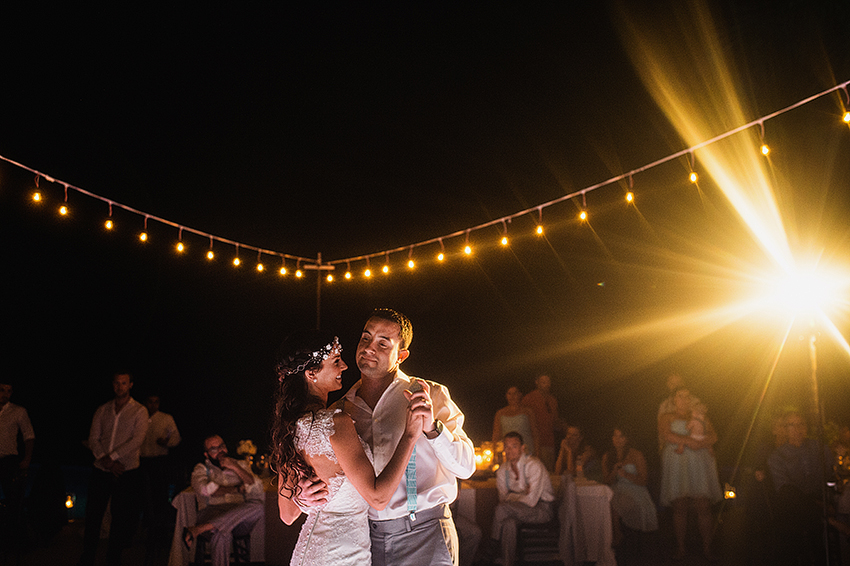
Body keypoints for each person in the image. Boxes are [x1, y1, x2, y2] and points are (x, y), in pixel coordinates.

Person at [282, 309, 476, 566]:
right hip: (366, 540)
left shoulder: (431, 395)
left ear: (401, 355)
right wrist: (302, 497)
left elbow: (466, 467)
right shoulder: (339, 411)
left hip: (425, 533)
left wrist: (432, 429)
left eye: (382, 343)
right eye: (365, 339)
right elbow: (323, 477)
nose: (369, 348)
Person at [271, 329, 424, 566]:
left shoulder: (291, 428)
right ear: (312, 373)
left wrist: (301, 498)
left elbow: (287, 515)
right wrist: (410, 435)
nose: (344, 366)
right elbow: (378, 498)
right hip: (339, 556)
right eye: (335, 361)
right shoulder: (334, 422)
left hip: (317, 552)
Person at [79, 372, 149, 566]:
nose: (120, 387)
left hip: (126, 471)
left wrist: (113, 458)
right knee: (93, 516)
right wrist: (106, 461)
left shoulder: (139, 411)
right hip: (101, 469)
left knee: (120, 519)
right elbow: (93, 438)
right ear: (113, 385)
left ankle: (113, 560)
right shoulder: (102, 409)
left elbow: (137, 440)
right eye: (117, 383)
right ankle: (87, 558)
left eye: (124, 383)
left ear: (130, 385)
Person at [658, 387, 721, 561]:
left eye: (687, 397)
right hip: (678, 462)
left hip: (699, 463)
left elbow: (713, 435)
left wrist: (700, 444)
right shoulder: (667, 416)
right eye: (680, 397)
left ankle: (708, 548)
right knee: (680, 505)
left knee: (703, 504)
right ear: (674, 399)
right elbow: (666, 434)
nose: (684, 400)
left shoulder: (699, 415)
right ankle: (681, 548)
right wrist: (688, 441)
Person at [183, 435, 264, 566]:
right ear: (206, 454)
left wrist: (235, 467)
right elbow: (206, 490)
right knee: (222, 533)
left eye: (222, 446)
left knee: (258, 506)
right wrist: (237, 489)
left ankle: (200, 529)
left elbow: (255, 486)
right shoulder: (201, 469)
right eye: (214, 449)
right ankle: (210, 526)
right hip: (211, 512)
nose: (220, 451)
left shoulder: (241, 464)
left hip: (239, 516)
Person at [768, 411, 829, 566]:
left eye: (801, 423)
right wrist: (818, 507)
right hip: (796, 508)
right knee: (798, 515)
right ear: (784, 429)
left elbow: (831, 473)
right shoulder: (777, 457)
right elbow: (784, 490)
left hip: (820, 499)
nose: (798, 428)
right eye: (792, 425)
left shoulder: (819, 447)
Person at [489, 432, 555, 566]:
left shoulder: (534, 465)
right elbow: (503, 498)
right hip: (516, 511)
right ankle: (508, 562)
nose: (509, 450)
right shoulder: (503, 470)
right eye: (506, 447)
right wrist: (522, 494)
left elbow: (531, 502)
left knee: (501, 510)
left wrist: (512, 496)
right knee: (509, 523)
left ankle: (492, 546)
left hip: (542, 510)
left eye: (514, 446)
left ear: (522, 448)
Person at [139, 394, 181, 558]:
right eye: (150, 402)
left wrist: (166, 442)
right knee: (142, 497)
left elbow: (176, 437)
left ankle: (160, 534)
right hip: (140, 462)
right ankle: (144, 529)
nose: (153, 405)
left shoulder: (165, 418)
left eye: (156, 402)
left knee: (160, 497)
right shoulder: (140, 416)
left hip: (159, 462)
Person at [600, 428, 658, 546]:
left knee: (614, 506)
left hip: (635, 490)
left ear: (627, 439)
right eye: (615, 436)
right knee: (604, 502)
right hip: (615, 489)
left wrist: (626, 474)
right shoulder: (607, 456)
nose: (618, 440)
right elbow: (606, 481)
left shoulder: (636, 454)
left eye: (621, 436)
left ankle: (617, 535)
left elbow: (644, 480)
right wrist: (614, 472)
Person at [0, 381, 35, 548]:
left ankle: (18, 541)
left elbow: (29, 435)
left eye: (8, 391)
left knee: (14, 500)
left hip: (8, 459)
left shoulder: (18, 411)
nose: (5, 394)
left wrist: (27, 458)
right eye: (2, 390)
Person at [657, 374, 706, 453]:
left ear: (683, 383)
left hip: (696, 447)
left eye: (678, 383)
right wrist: (662, 447)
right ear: (668, 385)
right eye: (673, 384)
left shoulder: (695, 401)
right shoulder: (664, 405)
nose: (676, 386)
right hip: (673, 449)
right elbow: (662, 431)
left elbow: (704, 425)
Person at [521, 375, 560, 471]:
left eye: (548, 382)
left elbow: (555, 421)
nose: (546, 385)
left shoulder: (552, 400)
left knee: (548, 471)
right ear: (537, 382)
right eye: (543, 382)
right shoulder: (529, 399)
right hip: (534, 443)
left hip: (549, 442)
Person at [491, 386, 538, 458]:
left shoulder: (528, 412)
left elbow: (535, 433)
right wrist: (496, 453)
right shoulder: (500, 413)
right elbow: (496, 435)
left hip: (526, 451)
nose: (512, 397)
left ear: (520, 395)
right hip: (508, 452)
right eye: (509, 394)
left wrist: (537, 454)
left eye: (515, 393)